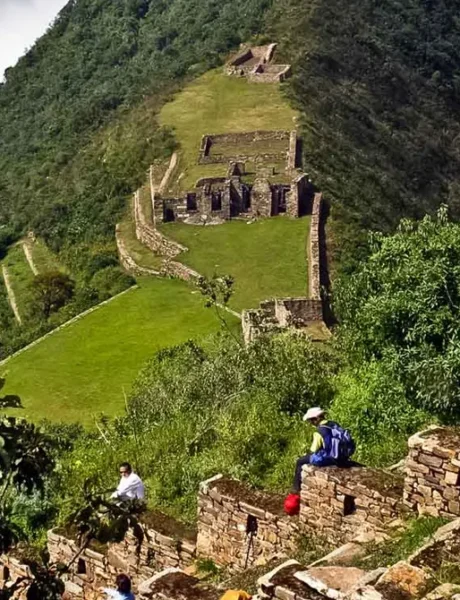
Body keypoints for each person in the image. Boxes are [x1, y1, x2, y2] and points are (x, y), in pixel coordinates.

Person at [292, 407, 355, 493]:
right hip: (342, 456)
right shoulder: (334, 424)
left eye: (311, 421)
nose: (311, 423)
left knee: (300, 461)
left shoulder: (319, 431)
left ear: (315, 419)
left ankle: (296, 489)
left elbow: (313, 450)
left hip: (330, 458)